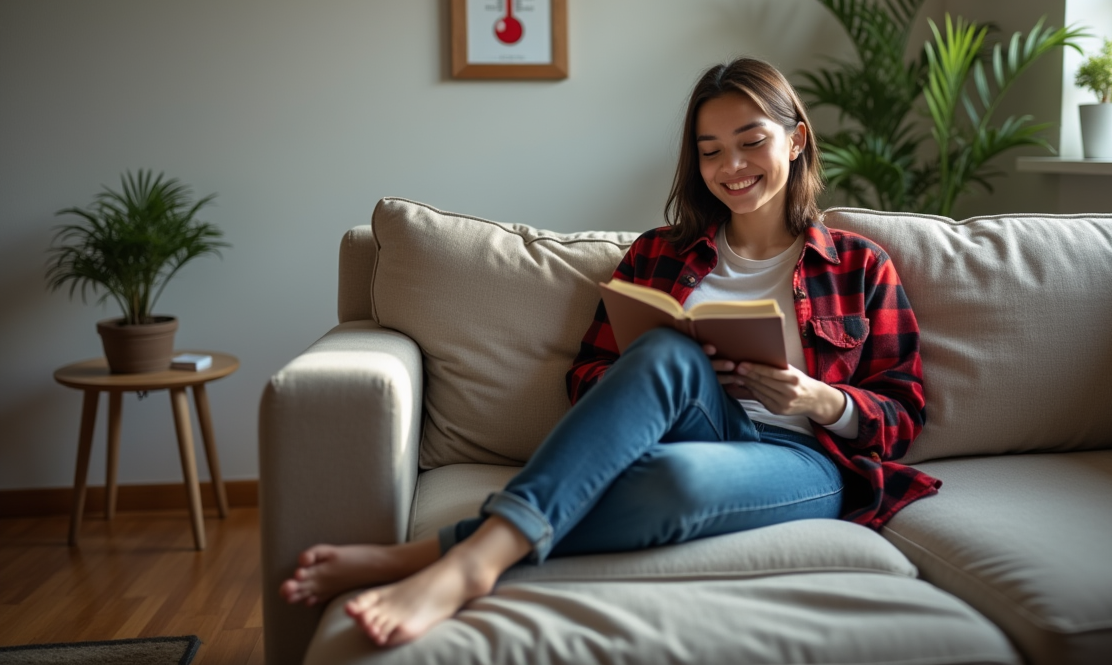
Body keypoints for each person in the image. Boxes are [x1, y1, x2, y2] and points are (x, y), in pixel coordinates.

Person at [280, 57, 940, 647]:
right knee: (664, 355)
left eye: (751, 142)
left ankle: (435, 556)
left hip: (805, 458)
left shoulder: (858, 265)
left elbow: (904, 413)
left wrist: (821, 398)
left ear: (795, 140)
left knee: (676, 484)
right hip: (693, 424)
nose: (731, 168)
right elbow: (589, 375)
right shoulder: (659, 253)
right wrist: (667, 375)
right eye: (710, 151)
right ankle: (473, 567)